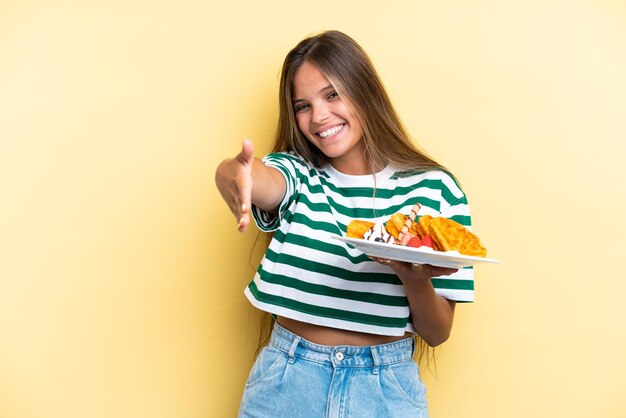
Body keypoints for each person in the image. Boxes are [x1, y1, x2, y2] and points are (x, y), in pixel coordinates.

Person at [215, 30, 476, 418]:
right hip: (287, 382)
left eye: (332, 94)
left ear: (365, 90)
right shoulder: (300, 174)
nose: (319, 117)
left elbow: (437, 333)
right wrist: (234, 176)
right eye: (302, 105)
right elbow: (261, 178)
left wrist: (415, 277)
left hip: (385, 391)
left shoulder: (435, 190)